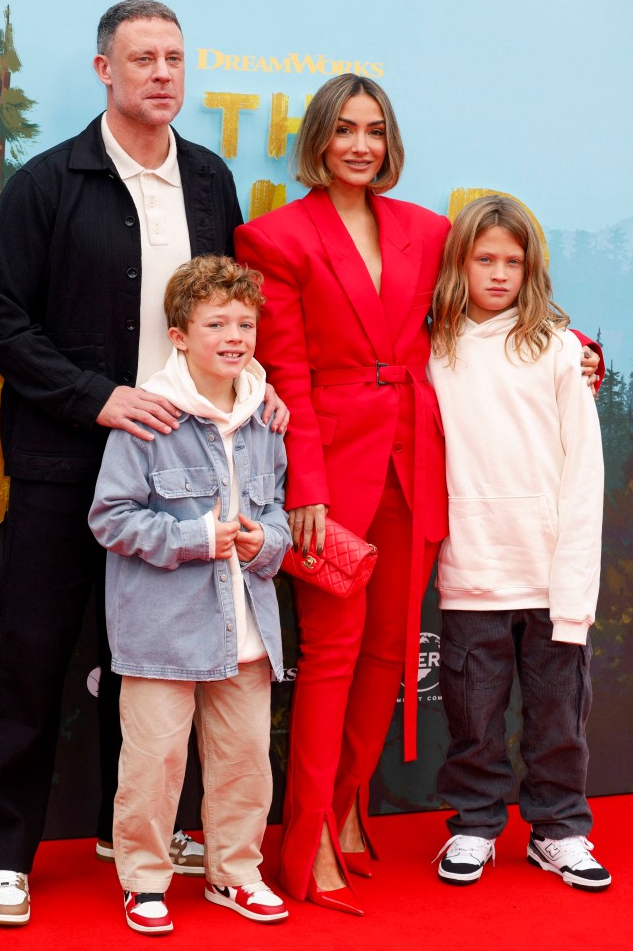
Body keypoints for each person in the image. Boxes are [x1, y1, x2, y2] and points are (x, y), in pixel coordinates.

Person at [234, 74, 603, 915]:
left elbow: (483, 307)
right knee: (332, 653)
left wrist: (582, 351)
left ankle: (347, 809)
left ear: (390, 142)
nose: (360, 145)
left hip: (416, 464)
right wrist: (307, 487)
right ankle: (306, 841)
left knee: (387, 658)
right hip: (327, 476)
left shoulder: (429, 229)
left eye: (374, 130)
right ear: (320, 140)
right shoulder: (274, 238)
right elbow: (284, 368)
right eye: (344, 130)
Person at [0, 0, 286, 928]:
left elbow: (227, 309)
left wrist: (258, 380)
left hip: (185, 474)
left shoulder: (210, 180)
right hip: (66, 464)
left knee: (149, 661)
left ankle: (129, 839)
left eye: (175, 59)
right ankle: (4, 855)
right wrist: (93, 396)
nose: (162, 74)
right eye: (142, 58)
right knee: (31, 659)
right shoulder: (48, 182)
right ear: (104, 70)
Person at [88, 255, 291, 934]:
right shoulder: (150, 416)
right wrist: (200, 536)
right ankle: (144, 881)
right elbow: (111, 519)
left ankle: (235, 873)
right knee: (152, 762)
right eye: (216, 324)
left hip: (248, 629)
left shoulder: (266, 416)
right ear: (179, 335)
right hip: (162, 631)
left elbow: (282, 518)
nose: (235, 336)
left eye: (245, 322)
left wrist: (264, 542)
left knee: (244, 762)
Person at [428, 195, 610, 892]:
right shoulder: (435, 348)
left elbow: (584, 474)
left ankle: (560, 831)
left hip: (549, 573)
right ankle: (474, 825)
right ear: (460, 264)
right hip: (473, 566)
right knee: (474, 717)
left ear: (531, 269)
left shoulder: (562, 353)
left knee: (558, 719)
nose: (499, 274)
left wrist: (574, 587)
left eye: (513, 261)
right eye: (484, 259)